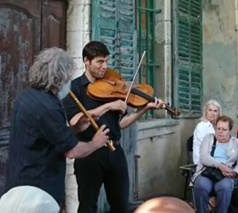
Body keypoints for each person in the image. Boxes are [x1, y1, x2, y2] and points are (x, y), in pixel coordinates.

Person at [62, 41, 165, 213]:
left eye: (106, 61)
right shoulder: (74, 88)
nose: (104, 67)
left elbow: (121, 124)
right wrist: (108, 106)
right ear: (86, 61)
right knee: (88, 207)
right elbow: (76, 121)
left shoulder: (111, 86)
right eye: (100, 62)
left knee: (121, 206)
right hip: (89, 154)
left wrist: (144, 108)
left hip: (115, 152)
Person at [5, 47, 110, 205]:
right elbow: (72, 151)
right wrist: (96, 142)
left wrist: (75, 129)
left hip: (17, 186)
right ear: (61, 77)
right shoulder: (49, 106)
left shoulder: (25, 96)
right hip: (37, 192)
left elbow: (46, 135)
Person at [191, 115, 238, 213]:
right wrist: (220, 165)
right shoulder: (208, 138)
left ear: (230, 130)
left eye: (224, 129)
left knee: (225, 187)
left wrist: (234, 172)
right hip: (207, 172)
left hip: (226, 176)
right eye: (218, 128)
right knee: (200, 185)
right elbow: (204, 157)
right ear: (215, 128)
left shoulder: (236, 143)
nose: (220, 131)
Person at [193, 99, 222, 164]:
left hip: (217, 158)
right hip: (203, 161)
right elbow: (205, 149)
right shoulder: (201, 126)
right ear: (205, 112)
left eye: (215, 111)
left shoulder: (219, 127)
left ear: (219, 113)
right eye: (210, 110)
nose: (212, 113)